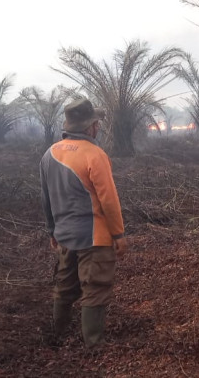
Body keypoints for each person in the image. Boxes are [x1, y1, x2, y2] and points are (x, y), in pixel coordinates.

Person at [40, 98, 127, 349]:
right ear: (89, 128)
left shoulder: (50, 154)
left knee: (65, 286)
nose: (98, 127)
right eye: (96, 123)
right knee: (95, 287)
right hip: (95, 238)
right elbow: (109, 200)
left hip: (64, 235)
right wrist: (118, 234)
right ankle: (94, 345)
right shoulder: (95, 155)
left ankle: (58, 336)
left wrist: (52, 231)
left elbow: (44, 197)